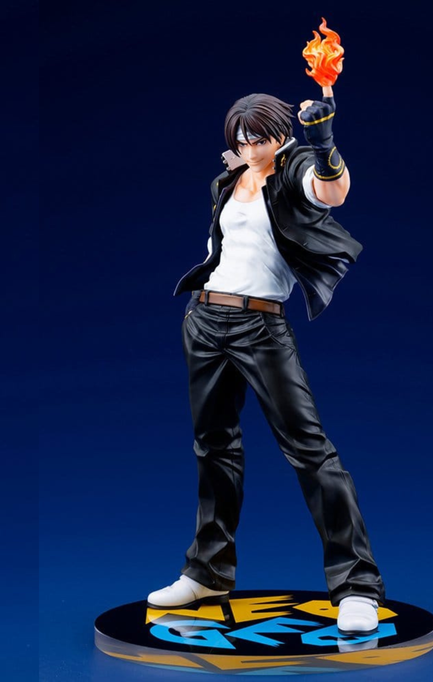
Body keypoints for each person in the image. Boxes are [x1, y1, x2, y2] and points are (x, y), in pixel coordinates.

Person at [148, 91, 386, 635]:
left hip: (261, 326)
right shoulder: (227, 181)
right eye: (241, 138)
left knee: (310, 449)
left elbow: (331, 191)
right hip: (205, 321)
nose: (250, 146)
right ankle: (208, 571)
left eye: (259, 137)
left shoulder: (294, 168)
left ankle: (356, 585)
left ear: (280, 133)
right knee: (213, 447)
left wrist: (323, 141)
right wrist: (198, 310)